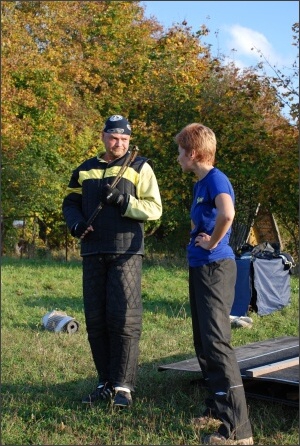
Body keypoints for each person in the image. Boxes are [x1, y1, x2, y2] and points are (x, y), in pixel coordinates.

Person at [62, 115, 162, 408]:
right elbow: (70, 203)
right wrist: (76, 224)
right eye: (114, 138)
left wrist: (123, 202)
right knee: (96, 321)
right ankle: (104, 382)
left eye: (125, 139)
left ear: (129, 141)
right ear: (103, 136)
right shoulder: (84, 169)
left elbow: (155, 208)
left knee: (124, 320)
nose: (119, 144)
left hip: (126, 253)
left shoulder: (139, 167)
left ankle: (123, 387)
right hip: (92, 251)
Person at [175, 123, 253, 445]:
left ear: (193, 153)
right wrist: (196, 238)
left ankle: (238, 431)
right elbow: (202, 219)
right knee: (204, 342)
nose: (177, 156)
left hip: (215, 268)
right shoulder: (200, 185)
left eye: (180, 151)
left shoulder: (216, 179)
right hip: (200, 266)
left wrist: (210, 244)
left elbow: (228, 214)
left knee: (217, 343)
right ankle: (217, 408)